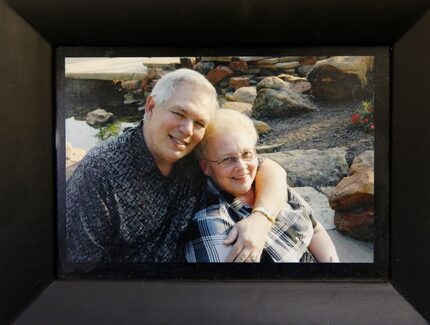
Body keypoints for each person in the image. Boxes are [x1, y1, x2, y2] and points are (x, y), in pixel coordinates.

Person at [64, 69, 288, 273]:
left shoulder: (191, 155)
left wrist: (261, 220)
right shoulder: (101, 174)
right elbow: (77, 270)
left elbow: (270, 168)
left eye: (199, 123)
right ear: (151, 107)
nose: (187, 130)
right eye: (179, 114)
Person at [185, 109, 339, 263]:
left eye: (247, 154)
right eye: (228, 159)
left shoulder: (267, 183)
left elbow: (316, 230)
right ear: (205, 167)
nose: (242, 166)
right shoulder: (212, 222)